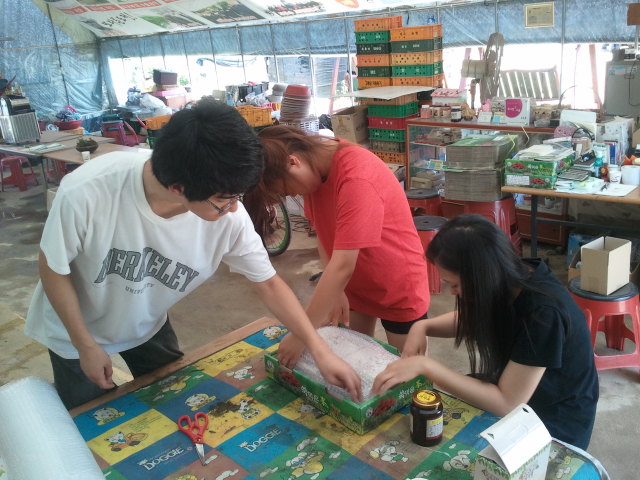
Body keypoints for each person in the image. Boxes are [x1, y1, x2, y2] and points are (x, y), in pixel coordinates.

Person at [24, 99, 361, 410]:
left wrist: (318, 349)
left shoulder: (227, 212)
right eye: (224, 200)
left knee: (174, 402)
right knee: (91, 418)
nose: (233, 209)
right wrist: (84, 345)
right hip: (76, 331)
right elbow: (53, 268)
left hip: (147, 321)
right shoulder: (88, 192)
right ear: (178, 189)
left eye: (238, 197)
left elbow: (270, 284)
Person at [373, 214, 599, 449]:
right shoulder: (510, 277)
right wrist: (423, 326)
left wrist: (427, 366)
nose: (452, 293)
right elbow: (473, 318)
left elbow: (507, 402)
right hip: (518, 392)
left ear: (481, 276)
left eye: (454, 285)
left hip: (553, 422)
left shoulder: (544, 314)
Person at [243, 125, 429, 366]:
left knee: (411, 371)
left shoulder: (356, 176)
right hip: (354, 284)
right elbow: (324, 232)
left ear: (292, 162)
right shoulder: (315, 171)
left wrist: (303, 335)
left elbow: (342, 267)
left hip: (396, 284)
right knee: (356, 362)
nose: (293, 196)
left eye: (287, 191)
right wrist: (337, 292)